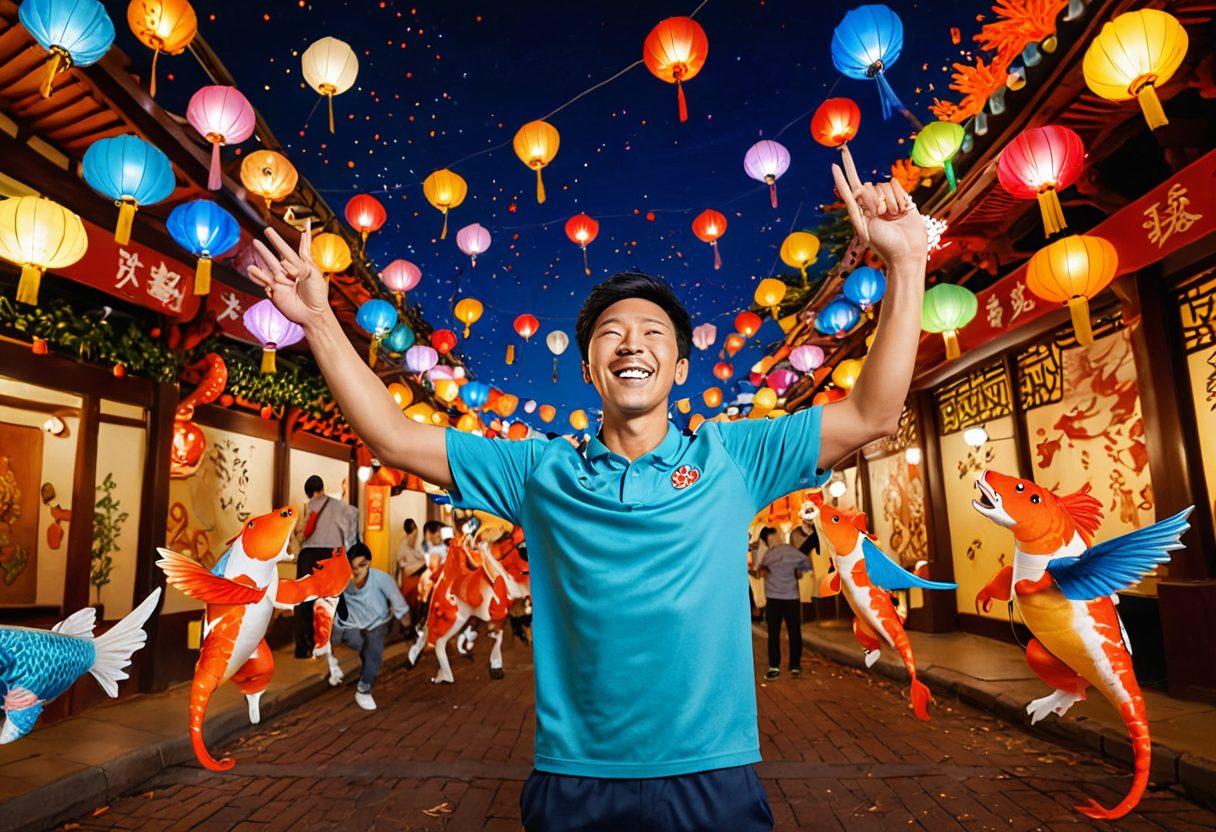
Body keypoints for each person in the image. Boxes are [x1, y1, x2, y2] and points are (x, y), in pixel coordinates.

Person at [249, 155, 927, 830]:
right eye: (613, 334)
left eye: (652, 334)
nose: (632, 344)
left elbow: (873, 414)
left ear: (681, 368)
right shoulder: (540, 472)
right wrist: (320, 323)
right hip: (576, 778)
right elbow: (396, 439)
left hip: (713, 772)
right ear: (589, 369)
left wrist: (906, 263)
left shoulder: (734, 457)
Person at [331, 542, 411, 710]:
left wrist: (409, 629)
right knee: (365, 650)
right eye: (352, 567)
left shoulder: (381, 579)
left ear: (369, 563)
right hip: (350, 626)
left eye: (362, 565)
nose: (357, 571)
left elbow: (399, 606)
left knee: (373, 649)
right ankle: (366, 669)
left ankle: (364, 689)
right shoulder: (341, 582)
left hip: (378, 623)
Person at [295, 475, 359, 658]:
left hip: (309, 555)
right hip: (332, 555)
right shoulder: (340, 506)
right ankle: (341, 637)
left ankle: (304, 647)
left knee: (304, 600)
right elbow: (352, 523)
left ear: (309, 492)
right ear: (322, 487)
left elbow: (303, 533)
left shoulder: (311, 505)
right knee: (337, 596)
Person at [755, 527, 811, 680]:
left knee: (773, 634)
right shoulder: (791, 551)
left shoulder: (765, 554)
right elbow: (805, 565)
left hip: (773, 599)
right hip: (791, 598)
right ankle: (794, 666)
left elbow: (758, 571)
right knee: (794, 632)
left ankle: (774, 667)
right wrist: (797, 571)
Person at [395, 518, 426, 621]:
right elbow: (400, 564)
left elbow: (402, 561)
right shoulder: (406, 544)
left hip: (412, 577)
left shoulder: (409, 545)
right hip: (412, 577)